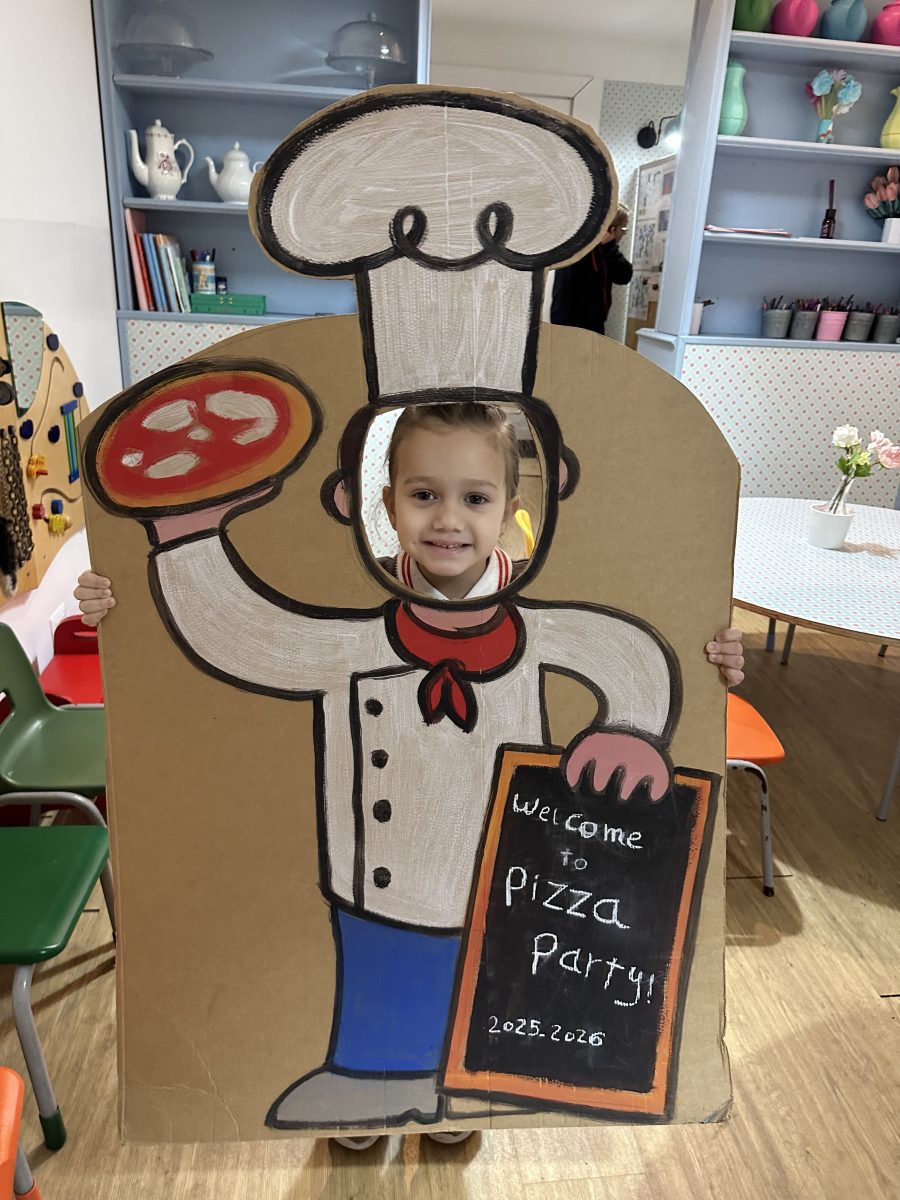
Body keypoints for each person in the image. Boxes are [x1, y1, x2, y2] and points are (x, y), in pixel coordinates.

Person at [75, 400, 744, 1150]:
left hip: (498, 876)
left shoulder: (538, 625)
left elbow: (627, 648)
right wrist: (166, 557)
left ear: (512, 511)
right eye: (424, 494)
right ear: (380, 504)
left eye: (475, 497)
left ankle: (463, 1085)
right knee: (381, 978)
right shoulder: (357, 632)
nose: (448, 519)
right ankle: (366, 1086)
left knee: (479, 981)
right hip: (376, 881)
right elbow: (247, 635)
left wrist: (652, 710)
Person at [550, 203, 633, 337]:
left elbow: (624, 276)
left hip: (588, 325)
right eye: (623, 229)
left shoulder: (605, 250)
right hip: (574, 327)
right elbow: (565, 291)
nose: (623, 234)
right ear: (612, 229)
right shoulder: (580, 248)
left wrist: (609, 247)